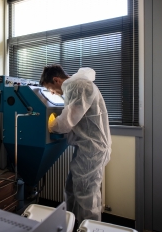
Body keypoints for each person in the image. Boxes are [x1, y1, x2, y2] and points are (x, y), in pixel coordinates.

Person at [40, 64, 112, 223]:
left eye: (51, 89)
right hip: (87, 148)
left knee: (87, 196)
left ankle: (88, 227)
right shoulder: (78, 84)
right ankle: (72, 224)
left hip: (91, 150)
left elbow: (67, 121)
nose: (53, 93)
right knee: (72, 189)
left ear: (56, 80)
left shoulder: (77, 85)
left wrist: (53, 125)